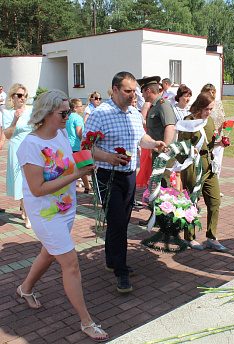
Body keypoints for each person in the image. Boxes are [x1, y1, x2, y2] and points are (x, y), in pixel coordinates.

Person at [16, 90, 109, 342]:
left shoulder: (59, 135)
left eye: (70, 112)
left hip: (65, 209)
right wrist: (78, 175)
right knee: (71, 264)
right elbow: (37, 189)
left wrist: (86, 166)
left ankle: (25, 289)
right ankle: (86, 321)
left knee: (48, 252)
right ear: (46, 114)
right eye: (64, 113)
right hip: (46, 214)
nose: (69, 116)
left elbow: (69, 164)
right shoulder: (30, 145)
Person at [83, 71, 166, 293]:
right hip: (107, 176)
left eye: (135, 91)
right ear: (116, 90)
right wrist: (108, 157)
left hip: (129, 175)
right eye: (128, 91)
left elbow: (141, 138)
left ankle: (112, 260)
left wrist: (154, 143)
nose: (133, 95)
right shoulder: (100, 114)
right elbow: (87, 146)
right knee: (119, 222)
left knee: (120, 220)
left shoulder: (134, 113)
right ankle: (121, 272)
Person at [177, 92, 226, 251]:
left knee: (215, 201)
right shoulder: (188, 122)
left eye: (211, 109)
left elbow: (210, 143)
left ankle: (212, 237)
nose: (209, 112)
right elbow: (180, 149)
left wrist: (220, 143)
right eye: (206, 109)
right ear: (198, 106)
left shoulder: (210, 121)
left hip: (209, 165)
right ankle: (189, 238)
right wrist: (190, 150)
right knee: (192, 202)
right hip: (193, 166)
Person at [3, 83, 33, 227]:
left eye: (24, 96)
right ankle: (28, 215)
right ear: (13, 97)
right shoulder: (7, 112)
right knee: (21, 182)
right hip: (16, 148)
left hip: (32, 148)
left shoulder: (31, 110)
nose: (22, 98)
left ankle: (25, 209)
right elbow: (7, 134)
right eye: (19, 95)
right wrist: (15, 119)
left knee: (32, 180)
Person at [137, 76, 176, 188]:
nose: (142, 95)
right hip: (157, 150)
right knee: (157, 183)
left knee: (164, 184)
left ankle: (166, 205)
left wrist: (164, 148)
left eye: (142, 92)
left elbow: (170, 127)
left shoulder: (162, 104)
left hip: (164, 151)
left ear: (148, 91)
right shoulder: (154, 105)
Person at [201, 83, 226, 185]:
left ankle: (215, 186)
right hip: (207, 138)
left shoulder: (219, 104)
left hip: (219, 138)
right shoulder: (202, 106)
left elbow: (223, 116)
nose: (211, 94)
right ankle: (203, 186)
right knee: (206, 164)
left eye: (213, 92)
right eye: (208, 92)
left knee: (217, 164)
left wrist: (225, 123)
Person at [66, 98, 91, 193]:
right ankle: (87, 186)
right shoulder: (78, 118)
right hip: (77, 145)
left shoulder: (68, 116)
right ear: (75, 108)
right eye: (81, 106)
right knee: (83, 167)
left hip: (68, 145)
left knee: (70, 168)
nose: (82, 107)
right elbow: (79, 132)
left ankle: (70, 187)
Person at [173, 85, 192, 191]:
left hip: (189, 142)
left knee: (188, 168)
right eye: (185, 96)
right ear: (179, 96)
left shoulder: (191, 110)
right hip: (178, 140)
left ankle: (187, 191)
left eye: (189, 96)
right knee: (178, 169)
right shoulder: (174, 109)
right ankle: (178, 193)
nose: (187, 99)